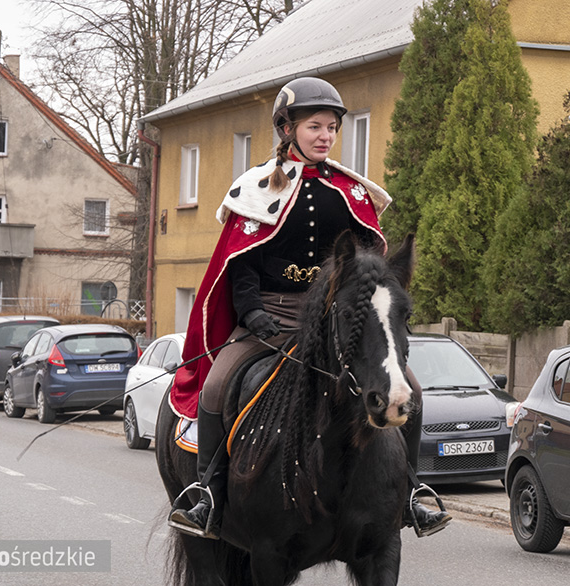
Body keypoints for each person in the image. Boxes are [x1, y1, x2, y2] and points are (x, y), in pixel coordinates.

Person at [168, 76, 451, 539]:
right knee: (217, 386)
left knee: (411, 391)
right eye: (315, 126)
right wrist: (252, 312)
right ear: (287, 129)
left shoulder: (350, 191)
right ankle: (208, 495)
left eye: (332, 128)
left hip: (333, 323)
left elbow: (366, 269)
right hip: (270, 319)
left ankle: (413, 493)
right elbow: (239, 264)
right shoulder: (256, 188)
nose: (325, 136)